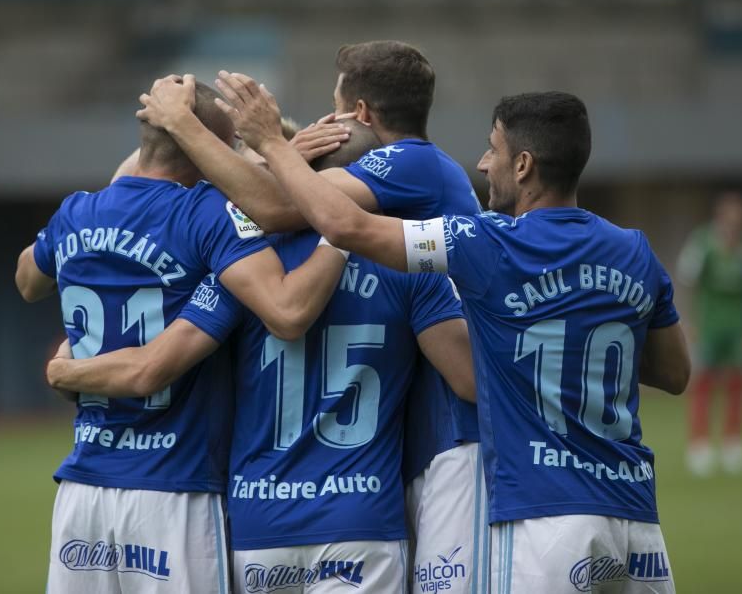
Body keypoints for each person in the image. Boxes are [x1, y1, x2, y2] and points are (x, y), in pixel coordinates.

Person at [211, 72, 691, 593]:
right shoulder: (636, 251)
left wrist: (269, 142)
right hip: (638, 520)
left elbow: (346, 226)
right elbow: (674, 372)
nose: (484, 165)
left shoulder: (486, 243)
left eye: (493, 151)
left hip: (547, 519)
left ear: (524, 165)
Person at [46, 124, 476, 593]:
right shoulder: (411, 272)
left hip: (259, 521)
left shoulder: (244, 269)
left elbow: (155, 359)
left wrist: (71, 367)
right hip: (362, 518)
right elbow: (469, 380)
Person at [137, 41, 489, 593]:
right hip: (400, 460)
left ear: (361, 114)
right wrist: (286, 153)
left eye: (336, 105)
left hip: (450, 443)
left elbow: (275, 209)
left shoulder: (408, 164)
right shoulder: (408, 195)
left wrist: (220, 133)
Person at [14, 80, 350, 594]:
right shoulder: (207, 215)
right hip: (174, 487)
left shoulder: (77, 210)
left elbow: (27, 281)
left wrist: (68, 365)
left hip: (83, 488)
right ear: (207, 150)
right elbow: (286, 304)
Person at [677, 192, 742, 476]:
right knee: (703, 384)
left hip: (739, 327)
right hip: (708, 327)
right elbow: (687, 282)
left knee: (737, 384)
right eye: (728, 219)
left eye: (739, 220)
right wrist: (687, 322)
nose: (733, 225)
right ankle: (699, 444)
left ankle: (733, 443)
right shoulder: (703, 243)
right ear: (718, 218)